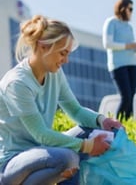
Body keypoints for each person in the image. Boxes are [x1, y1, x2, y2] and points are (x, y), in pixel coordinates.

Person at [0, 15, 123, 184]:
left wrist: (102, 120)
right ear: (43, 47)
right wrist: (87, 146)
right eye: (62, 53)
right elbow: (41, 134)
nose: (66, 60)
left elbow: (75, 110)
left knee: (97, 132)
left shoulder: (55, 74)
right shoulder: (17, 83)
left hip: (42, 151)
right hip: (11, 164)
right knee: (68, 158)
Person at [102, 0, 136, 120]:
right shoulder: (111, 22)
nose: (131, 12)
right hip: (118, 65)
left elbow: (129, 46)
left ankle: (128, 126)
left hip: (132, 64)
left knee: (131, 97)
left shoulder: (129, 27)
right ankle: (117, 125)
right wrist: (127, 46)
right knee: (125, 96)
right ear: (122, 8)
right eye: (130, 9)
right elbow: (108, 44)